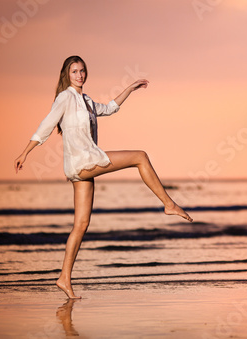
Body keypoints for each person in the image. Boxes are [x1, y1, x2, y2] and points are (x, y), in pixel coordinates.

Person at [14, 55, 193, 299]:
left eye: (82, 71)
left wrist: (129, 88)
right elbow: (47, 124)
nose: (79, 75)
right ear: (67, 74)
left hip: (85, 164)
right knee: (140, 156)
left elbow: (109, 108)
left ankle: (64, 277)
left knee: (81, 224)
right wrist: (25, 152)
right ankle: (169, 204)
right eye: (75, 71)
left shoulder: (86, 101)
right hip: (83, 162)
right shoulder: (65, 97)